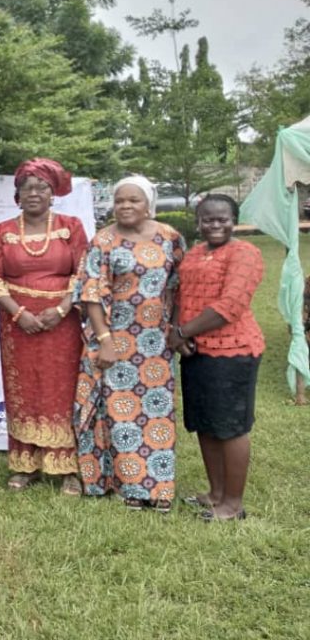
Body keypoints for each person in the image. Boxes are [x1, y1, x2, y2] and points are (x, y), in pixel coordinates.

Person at [74, 175, 185, 511]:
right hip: (115, 338)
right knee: (120, 414)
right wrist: (105, 340)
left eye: (133, 200)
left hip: (156, 341)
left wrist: (176, 328)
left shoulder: (170, 237)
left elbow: (179, 285)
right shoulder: (103, 241)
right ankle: (133, 487)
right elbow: (91, 294)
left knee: (157, 411)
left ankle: (160, 488)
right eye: (120, 200)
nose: (125, 206)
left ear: (148, 203)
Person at [0, 159, 88, 494]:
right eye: (27, 188)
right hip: (17, 325)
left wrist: (61, 308)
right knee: (23, 389)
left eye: (42, 187)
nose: (35, 193)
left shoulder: (72, 227)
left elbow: (84, 273)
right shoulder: (0, 231)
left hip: (63, 322)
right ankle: (25, 464)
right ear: (17, 195)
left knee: (62, 388)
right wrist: (18, 313)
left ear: (52, 193)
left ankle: (68, 466)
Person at [170, 194, 264, 522]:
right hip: (197, 352)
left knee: (231, 426)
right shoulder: (194, 254)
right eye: (207, 219)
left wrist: (181, 333)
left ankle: (233, 504)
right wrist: (179, 333)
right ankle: (215, 493)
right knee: (206, 425)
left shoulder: (245, 253)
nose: (215, 224)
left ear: (233, 220)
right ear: (198, 222)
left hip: (232, 352)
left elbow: (230, 305)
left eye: (222, 218)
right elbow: (180, 294)